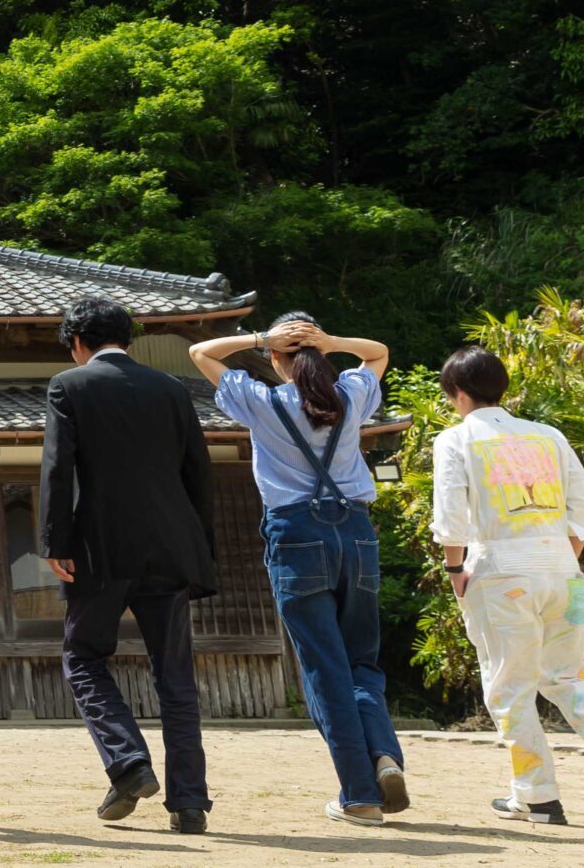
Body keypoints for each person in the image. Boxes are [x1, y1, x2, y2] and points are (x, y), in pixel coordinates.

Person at [430, 345, 584, 826]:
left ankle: (536, 796)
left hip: (499, 572)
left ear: (456, 393)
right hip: (562, 572)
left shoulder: (456, 440)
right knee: (566, 676)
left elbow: (452, 520)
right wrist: (562, 558)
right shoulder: (548, 437)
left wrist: (456, 572)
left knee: (510, 689)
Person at [188, 311, 406, 827]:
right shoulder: (350, 394)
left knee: (324, 666)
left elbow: (202, 354)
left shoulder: (263, 402)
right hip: (355, 531)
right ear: (323, 354)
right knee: (361, 660)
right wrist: (331, 341)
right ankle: (382, 752)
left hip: (296, 535)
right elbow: (377, 351)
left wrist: (262, 337)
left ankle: (360, 795)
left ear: (275, 359)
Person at [42, 298, 220, 833]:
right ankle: (189, 805)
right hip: (171, 548)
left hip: (100, 549)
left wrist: (55, 541)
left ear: (77, 343)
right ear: (129, 338)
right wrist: (200, 550)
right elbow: (199, 473)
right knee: (175, 677)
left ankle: (128, 763)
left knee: (83, 656)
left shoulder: (69, 386)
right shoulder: (172, 389)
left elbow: (58, 469)